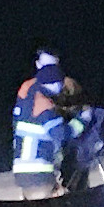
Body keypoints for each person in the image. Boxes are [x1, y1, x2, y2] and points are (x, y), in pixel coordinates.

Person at [13, 48, 72, 198]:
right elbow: (62, 134)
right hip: (40, 172)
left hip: (21, 168)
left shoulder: (28, 90)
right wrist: (83, 120)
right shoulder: (44, 105)